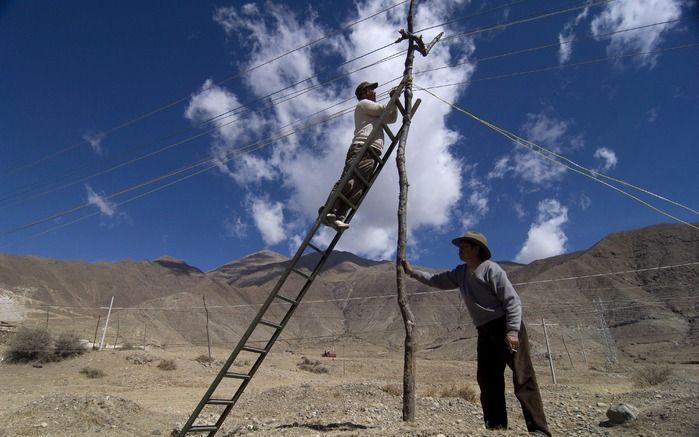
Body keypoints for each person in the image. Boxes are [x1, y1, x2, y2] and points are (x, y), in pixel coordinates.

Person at [401, 231, 551, 436]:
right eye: (460, 247)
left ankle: (539, 430)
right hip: (485, 331)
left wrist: (513, 331)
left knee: (523, 377)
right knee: (488, 378)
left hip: (506, 326)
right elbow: (437, 280)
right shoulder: (460, 273)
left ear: (477, 249)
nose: (460, 251)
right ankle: (496, 426)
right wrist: (412, 272)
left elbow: (512, 302)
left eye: (465, 247)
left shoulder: (491, 270)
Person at [320, 80, 398, 230]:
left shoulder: (374, 111)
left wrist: (394, 101)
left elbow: (391, 118)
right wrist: (393, 98)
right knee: (349, 180)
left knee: (359, 187)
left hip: (373, 151)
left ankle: (339, 216)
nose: (374, 92)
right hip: (362, 147)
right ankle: (328, 210)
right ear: (363, 92)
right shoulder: (363, 104)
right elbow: (384, 109)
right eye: (371, 90)